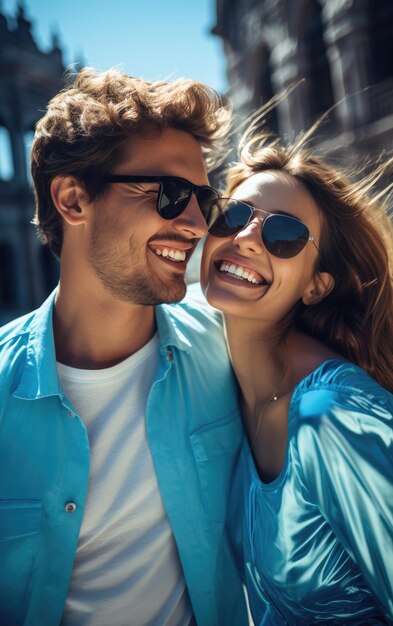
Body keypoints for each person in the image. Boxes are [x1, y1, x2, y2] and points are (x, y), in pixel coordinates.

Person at [0, 68, 249, 626]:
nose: (193, 225)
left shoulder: (232, 348)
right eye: (168, 194)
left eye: (203, 202)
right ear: (72, 200)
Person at [201, 124, 393, 624]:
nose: (244, 237)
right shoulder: (220, 391)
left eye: (284, 234)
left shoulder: (334, 417)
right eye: (233, 214)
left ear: (316, 286)